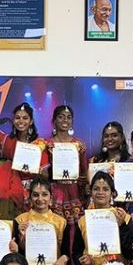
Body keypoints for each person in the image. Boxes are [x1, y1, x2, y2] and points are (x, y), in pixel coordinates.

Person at [74, 171, 133, 265]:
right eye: (96, 189)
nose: (100, 192)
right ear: (90, 192)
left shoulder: (123, 217)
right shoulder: (83, 220)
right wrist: (82, 262)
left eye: (105, 189)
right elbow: (76, 252)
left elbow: (130, 253)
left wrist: (122, 226)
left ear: (112, 193)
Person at [15, 176, 71, 265]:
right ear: (30, 198)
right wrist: (21, 236)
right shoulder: (21, 220)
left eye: (44, 194)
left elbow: (66, 252)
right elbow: (19, 252)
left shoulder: (61, 222)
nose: (40, 199)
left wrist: (64, 258)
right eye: (35, 195)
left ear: (51, 198)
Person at [46, 105, 89, 249]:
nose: (65, 120)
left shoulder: (79, 145)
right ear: (54, 121)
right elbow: (43, 171)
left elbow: (84, 172)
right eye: (61, 117)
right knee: (55, 228)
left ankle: (73, 262)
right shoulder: (46, 144)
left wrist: (84, 190)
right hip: (55, 191)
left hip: (74, 192)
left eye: (69, 117)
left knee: (74, 231)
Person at [1, 102, 49, 202]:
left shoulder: (39, 143)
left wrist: (37, 170)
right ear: (13, 120)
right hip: (11, 189)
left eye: (25, 118)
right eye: (17, 118)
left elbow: (46, 175)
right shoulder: (7, 140)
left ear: (31, 121)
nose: (21, 121)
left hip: (33, 192)